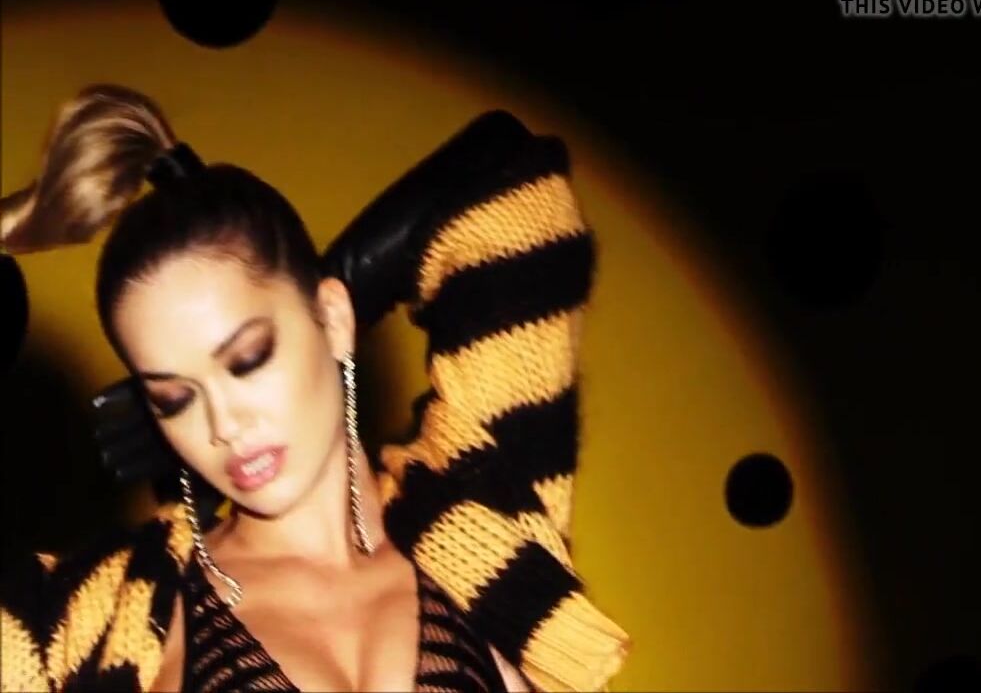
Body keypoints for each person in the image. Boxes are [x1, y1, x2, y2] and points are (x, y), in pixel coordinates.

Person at [0, 84, 630, 692]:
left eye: (248, 360)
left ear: (332, 315)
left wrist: (336, 300)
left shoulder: (480, 509)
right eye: (174, 399)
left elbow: (510, 184)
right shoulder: (105, 611)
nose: (224, 424)